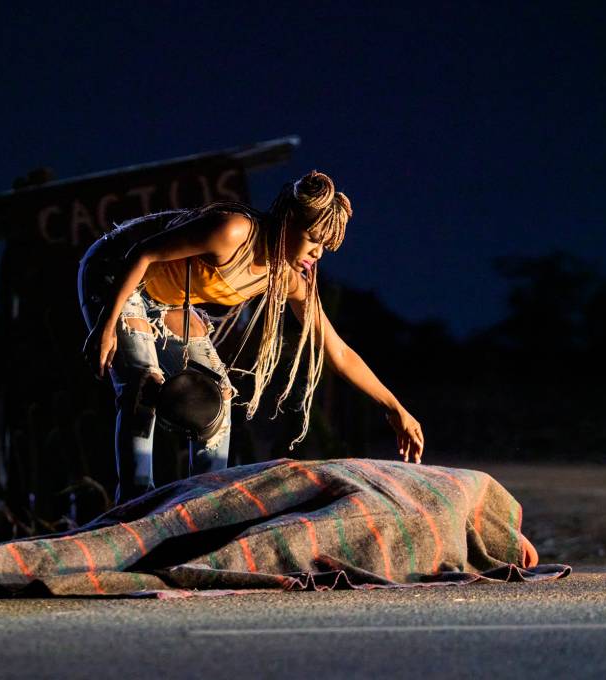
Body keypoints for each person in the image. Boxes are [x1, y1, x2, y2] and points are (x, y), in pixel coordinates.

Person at [78, 170, 425, 504]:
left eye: (325, 246)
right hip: (115, 272)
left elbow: (338, 352)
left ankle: (202, 502)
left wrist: (395, 408)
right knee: (142, 381)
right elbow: (143, 253)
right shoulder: (233, 230)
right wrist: (106, 326)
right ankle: (134, 499)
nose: (318, 252)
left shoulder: (288, 278)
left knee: (217, 395)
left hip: (168, 299)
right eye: (314, 239)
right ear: (289, 220)